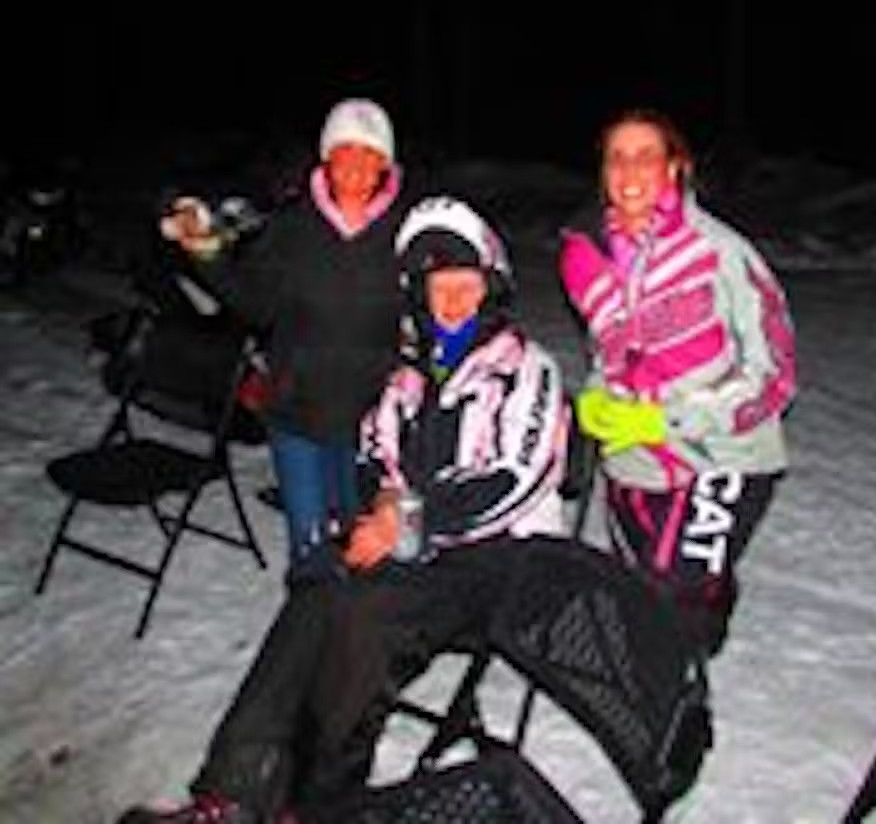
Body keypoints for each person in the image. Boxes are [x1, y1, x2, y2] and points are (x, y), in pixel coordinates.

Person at [118, 196, 570, 823]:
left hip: (502, 566)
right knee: (319, 581)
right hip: (416, 552)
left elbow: (514, 480)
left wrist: (402, 518)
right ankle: (231, 792)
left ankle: (319, 805)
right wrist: (379, 501)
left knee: (360, 621)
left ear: (491, 285)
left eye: (466, 285)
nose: (452, 302)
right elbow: (371, 451)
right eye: (438, 287)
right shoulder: (408, 373)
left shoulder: (527, 370)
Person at [559, 108, 796, 654]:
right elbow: (610, 355)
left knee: (671, 600)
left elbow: (775, 376)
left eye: (646, 156)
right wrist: (596, 398)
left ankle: (682, 675)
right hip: (636, 458)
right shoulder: (591, 258)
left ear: (675, 167)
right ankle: (705, 601)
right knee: (635, 593)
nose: (629, 171)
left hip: (724, 453)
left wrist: (662, 421)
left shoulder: (719, 252)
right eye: (616, 158)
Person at [161, 99, 410, 580]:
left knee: (364, 549)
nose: (356, 165)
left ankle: (356, 625)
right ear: (326, 158)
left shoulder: (406, 232)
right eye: (345, 151)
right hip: (299, 414)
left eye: (370, 154)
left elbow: (434, 306)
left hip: (372, 425)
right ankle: (311, 618)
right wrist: (208, 255)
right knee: (311, 550)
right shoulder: (292, 226)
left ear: (386, 164)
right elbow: (257, 305)